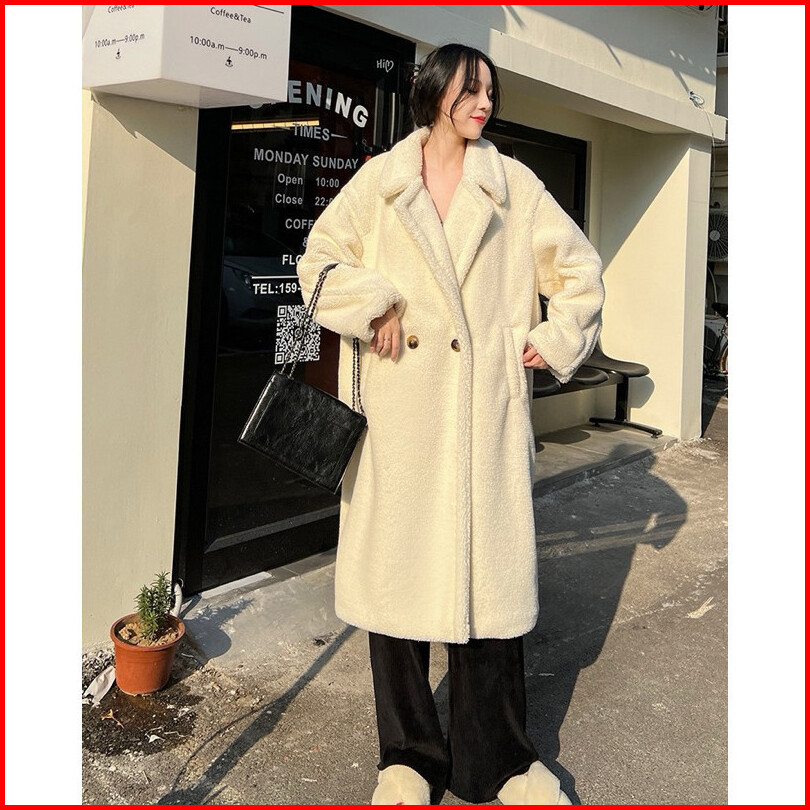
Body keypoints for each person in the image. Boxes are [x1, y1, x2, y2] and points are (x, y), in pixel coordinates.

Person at [297, 43, 605, 805]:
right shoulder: (382, 181)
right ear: (436, 93)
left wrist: (553, 338)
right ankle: (407, 759)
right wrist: (375, 302)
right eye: (472, 89)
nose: (485, 103)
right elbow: (319, 262)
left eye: (491, 91)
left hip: (481, 417)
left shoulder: (513, 184)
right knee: (394, 592)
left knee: (489, 594)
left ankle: (499, 764)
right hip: (399, 415)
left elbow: (578, 271)